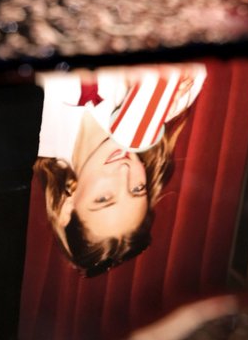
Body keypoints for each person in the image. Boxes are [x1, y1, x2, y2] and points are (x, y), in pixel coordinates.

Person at [34, 63, 207, 276]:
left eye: (104, 198)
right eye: (137, 188)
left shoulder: (33, 123)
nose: (125, 171)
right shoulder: (162, 104)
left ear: (67, 206)